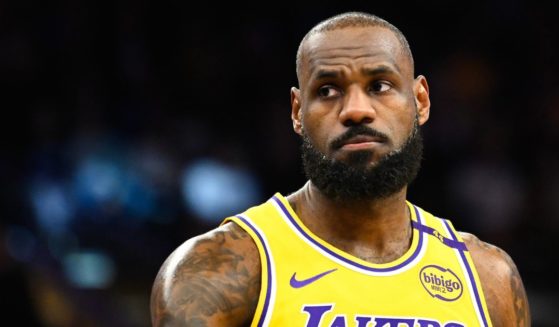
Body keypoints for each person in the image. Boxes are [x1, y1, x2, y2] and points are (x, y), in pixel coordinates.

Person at [150, 11, 531, 326]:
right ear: (298, 112)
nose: (355, 110)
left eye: (379, 85)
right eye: (328, 90)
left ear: (420, 101)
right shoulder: (218, 271)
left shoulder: (488, 278)